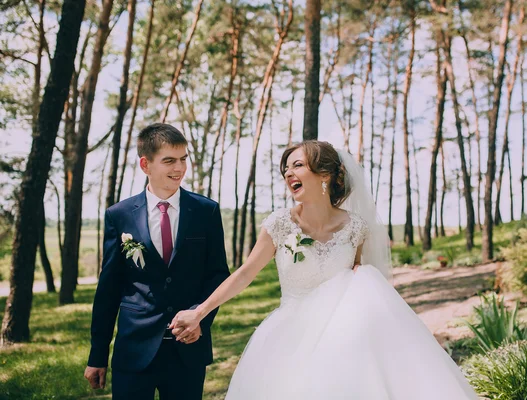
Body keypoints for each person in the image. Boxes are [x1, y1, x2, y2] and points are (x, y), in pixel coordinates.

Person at [170, 140, 479, 399]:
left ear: (325, 175)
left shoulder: (355, 228)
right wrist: (199, 312)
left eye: (298, 165)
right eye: (286, 168)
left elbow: (363, 283)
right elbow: (245, 274)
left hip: (347, 341)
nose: (289, 173)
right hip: (290, 339)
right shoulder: (279, 223)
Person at [84, 123, 230, 399]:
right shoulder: (120, 215)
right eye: (169, 161)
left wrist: (200, 318)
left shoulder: (205, 211)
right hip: (134, 351)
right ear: (145, 164)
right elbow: (109, 289)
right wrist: (97, 354)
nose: (180, 168)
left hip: (188, 349)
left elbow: (217, 275)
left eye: (183, 159)